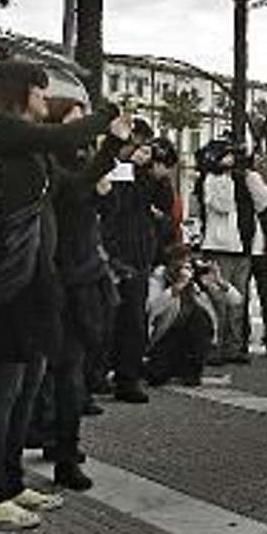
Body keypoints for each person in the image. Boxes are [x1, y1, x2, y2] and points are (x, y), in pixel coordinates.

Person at [0, 61, 117, 531]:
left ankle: (9, 480)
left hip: (34, 282)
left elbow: (74, 185)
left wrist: (112, 147)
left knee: (24, 389)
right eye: (40, 91)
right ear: (20, 90)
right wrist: (105, 114)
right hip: (7, 282)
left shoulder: (26, 142)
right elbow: (59, 139)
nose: (44, 101)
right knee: (0, 391)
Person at [40, 96, 127, 491]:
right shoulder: (52, 164)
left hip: (84, 274)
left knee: (68, 372)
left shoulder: (80, 164)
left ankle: (61, 444)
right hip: (61, 278)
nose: (84, 131)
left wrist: (105, 187)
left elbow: (105, 213)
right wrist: (107, 152)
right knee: (59, 373)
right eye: (76, 122)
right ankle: (60, 451)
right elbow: (74, 195)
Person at [97, 125, 170, 403]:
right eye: (139, 145)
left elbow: (161, 204)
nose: (142, 152)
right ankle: (100, 374)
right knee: (109, 320)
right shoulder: (116, 169)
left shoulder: (147, 178)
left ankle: (126, 377)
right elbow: (113, 207)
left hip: (139, 254)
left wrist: (155, 173)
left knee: (133, 321)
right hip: (117, 251)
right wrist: (129, 166)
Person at [196, 140, 267, 364]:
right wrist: (225, 175)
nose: (233, 160)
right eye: (228, 156)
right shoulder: (211, 180)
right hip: (220, 247)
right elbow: (223, 204)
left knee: (239, 301)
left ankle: (235, 347)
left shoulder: (246, 179)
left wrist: (251, 174)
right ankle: (216, 348)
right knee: (219, 300)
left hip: (245, 247)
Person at [145, 244, 236, 386]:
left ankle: (193, 370)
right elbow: (152, 309)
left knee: (199, 316)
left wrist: (219, 280)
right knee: (156, 376)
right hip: (165, 339)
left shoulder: (195, 283)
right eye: (182, 264)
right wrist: (176, 287)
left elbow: (236, 301)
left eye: (189, 264)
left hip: (189, 340)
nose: (186, 269)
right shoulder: (158, 279)